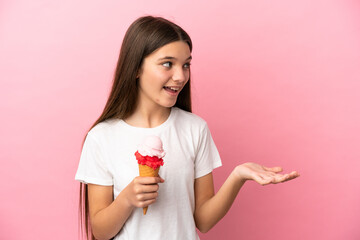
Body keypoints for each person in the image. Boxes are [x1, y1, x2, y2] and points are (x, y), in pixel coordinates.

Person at [75, 15, 300, 240]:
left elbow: (203, 220)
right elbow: (100, 232)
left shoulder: (195, 129)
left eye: (186, 65)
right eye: (167, 64)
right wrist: (126, 199)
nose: (180, 76)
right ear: (136, 68)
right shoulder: (101, 138)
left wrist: (237, 176)